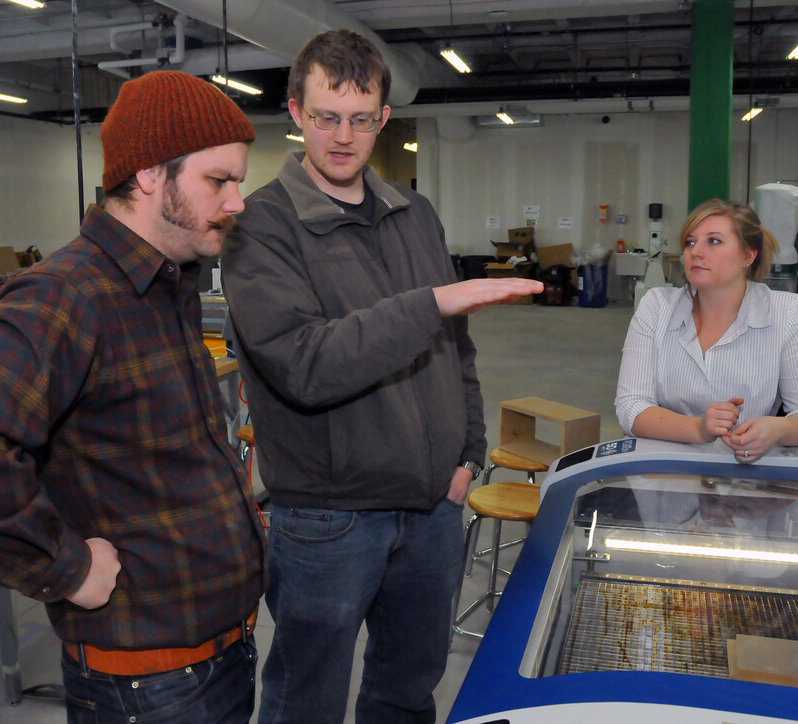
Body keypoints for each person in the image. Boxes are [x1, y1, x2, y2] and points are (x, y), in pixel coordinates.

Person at [0, 71, 266, 724]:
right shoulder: (66, 295)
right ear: (151, 174)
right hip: (154, 687)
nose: (237, 201)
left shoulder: (163, 287)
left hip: (214, 657)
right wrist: (63, 567)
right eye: (219, 181)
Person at [221, 29, 542, 724]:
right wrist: (430, 304)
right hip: (329, 518)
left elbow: (456, 351)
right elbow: (303, 363)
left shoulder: (413, 213)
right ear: (296, 113)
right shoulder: (260, 227)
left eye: (361, 119)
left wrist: (466, 455)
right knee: (306, 699)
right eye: (326, 117)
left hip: (431, 507)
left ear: (384, 119)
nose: (343, 137)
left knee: (407, 690)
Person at [615, 198, 798, 462]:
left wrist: (779, 429)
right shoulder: (656, 307)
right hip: (663, 475)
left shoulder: (789, 314)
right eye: (690, 242)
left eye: (714, 241)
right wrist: (698, 429)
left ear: (748, 255)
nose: (696, 251)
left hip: (747, 483)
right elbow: (631, 407)